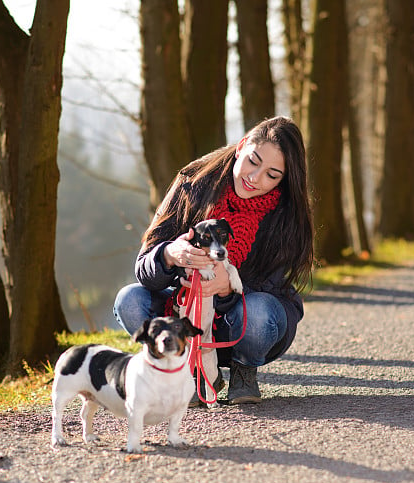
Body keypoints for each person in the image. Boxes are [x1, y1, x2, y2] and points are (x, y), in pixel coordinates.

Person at [113, 115, 314, 405]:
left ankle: (244, 370)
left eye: (272, 174)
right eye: (253, 161)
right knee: (129, 300)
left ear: (284, 180)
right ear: (242, 145)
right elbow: (145, 266)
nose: (255, 178)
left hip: (245, 320)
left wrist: (229, 286)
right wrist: (169, 254)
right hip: (187, 309)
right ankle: (188, 368)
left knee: (259, 313)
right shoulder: (193, 182)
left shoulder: (286, 214)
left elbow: (273, 288)